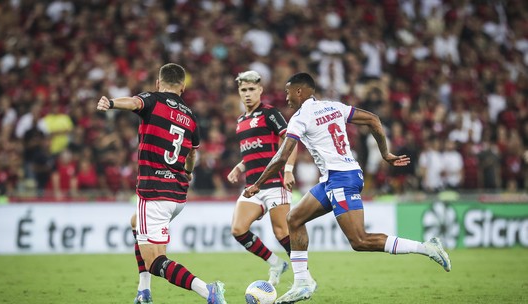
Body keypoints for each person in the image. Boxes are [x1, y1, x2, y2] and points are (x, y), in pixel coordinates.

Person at [244, 72, 451, 304]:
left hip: (341, 179)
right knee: (294, 219)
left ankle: (426, 247)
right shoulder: (334, 107)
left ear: (300, 91)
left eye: (288, 91)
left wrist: (257, 185)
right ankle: (303, 283)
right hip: (336, 177)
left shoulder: (300, 117)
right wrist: (385, 153)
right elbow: (373, 119)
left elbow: (282, 156)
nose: (286, 96)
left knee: (359, 241)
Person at [96, 63, 227, 304]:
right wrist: (188, 172)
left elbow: (134, 103)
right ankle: (144, 291)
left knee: (155, 262)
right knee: (136, 222)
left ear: (158, 83)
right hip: (177, 195)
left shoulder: (153, 100)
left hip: (154, 191)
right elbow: (192, 155)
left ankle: (207, 290)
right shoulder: (190, 117)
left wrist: (111, 103)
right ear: (183, 87)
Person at [226, 70, 297, 286]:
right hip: (252, 186)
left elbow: (290, 141)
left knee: (281, 232)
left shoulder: (270, 114)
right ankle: (276, 263)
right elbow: (253, 151)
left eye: (251, 89)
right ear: (239, 92)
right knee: (238, 229)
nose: (247, 94)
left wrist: (288, 169)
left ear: (260, 90)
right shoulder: (240, 120)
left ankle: (304, 277)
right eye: (243, 90)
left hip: (274, 183)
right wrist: (239, 166)